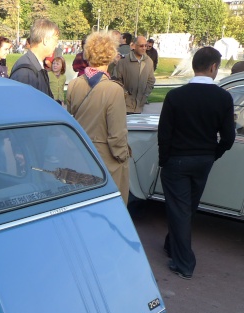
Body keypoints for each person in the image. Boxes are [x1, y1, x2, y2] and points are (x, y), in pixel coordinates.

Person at [158, 46, 235, 280]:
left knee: (180, 208)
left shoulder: (175, 96)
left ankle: (184, 263)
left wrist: (165, 160)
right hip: (204, 159)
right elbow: (229, 137)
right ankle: (172, 246)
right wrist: (214, 153)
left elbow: (164, 133)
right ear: (213, 67)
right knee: (187, 207)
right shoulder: (223, 97)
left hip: (178, 159)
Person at [66, 31, 130, 204]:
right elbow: (117, 134)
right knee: (111, 207)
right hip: (105, 158)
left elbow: (72, 113)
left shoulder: (74, 84)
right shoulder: (114, 89)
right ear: (110, 55)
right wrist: (122, 157)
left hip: (80, 153)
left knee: (83, 204)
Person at [9, 19, 60, 96]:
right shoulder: (24, 73)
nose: (56, 45)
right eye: (55, 40)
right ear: (45, 41)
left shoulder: (37, 66)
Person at [113, 35, 155, 114]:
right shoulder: (123, 61)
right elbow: (116, 80)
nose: (144, 48)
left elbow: (151, 80)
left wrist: (145, 95)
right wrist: (125, 94)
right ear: (134, 46)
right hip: (124, 106)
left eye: (146, 46)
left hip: (140, 106)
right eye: (141, 46)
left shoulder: (149, 61)